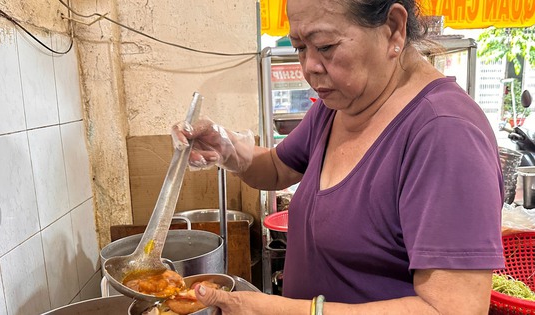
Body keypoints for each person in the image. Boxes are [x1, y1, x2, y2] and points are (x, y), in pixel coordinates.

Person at [171, 0, 505, 313]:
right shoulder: (341, 105)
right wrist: (227, 149)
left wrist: (272, 309)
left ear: (394, 28)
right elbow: (275, 168)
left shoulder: (444, 133)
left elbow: (453, 308)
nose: (309, 68)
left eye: (326, 47)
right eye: (300, 48)